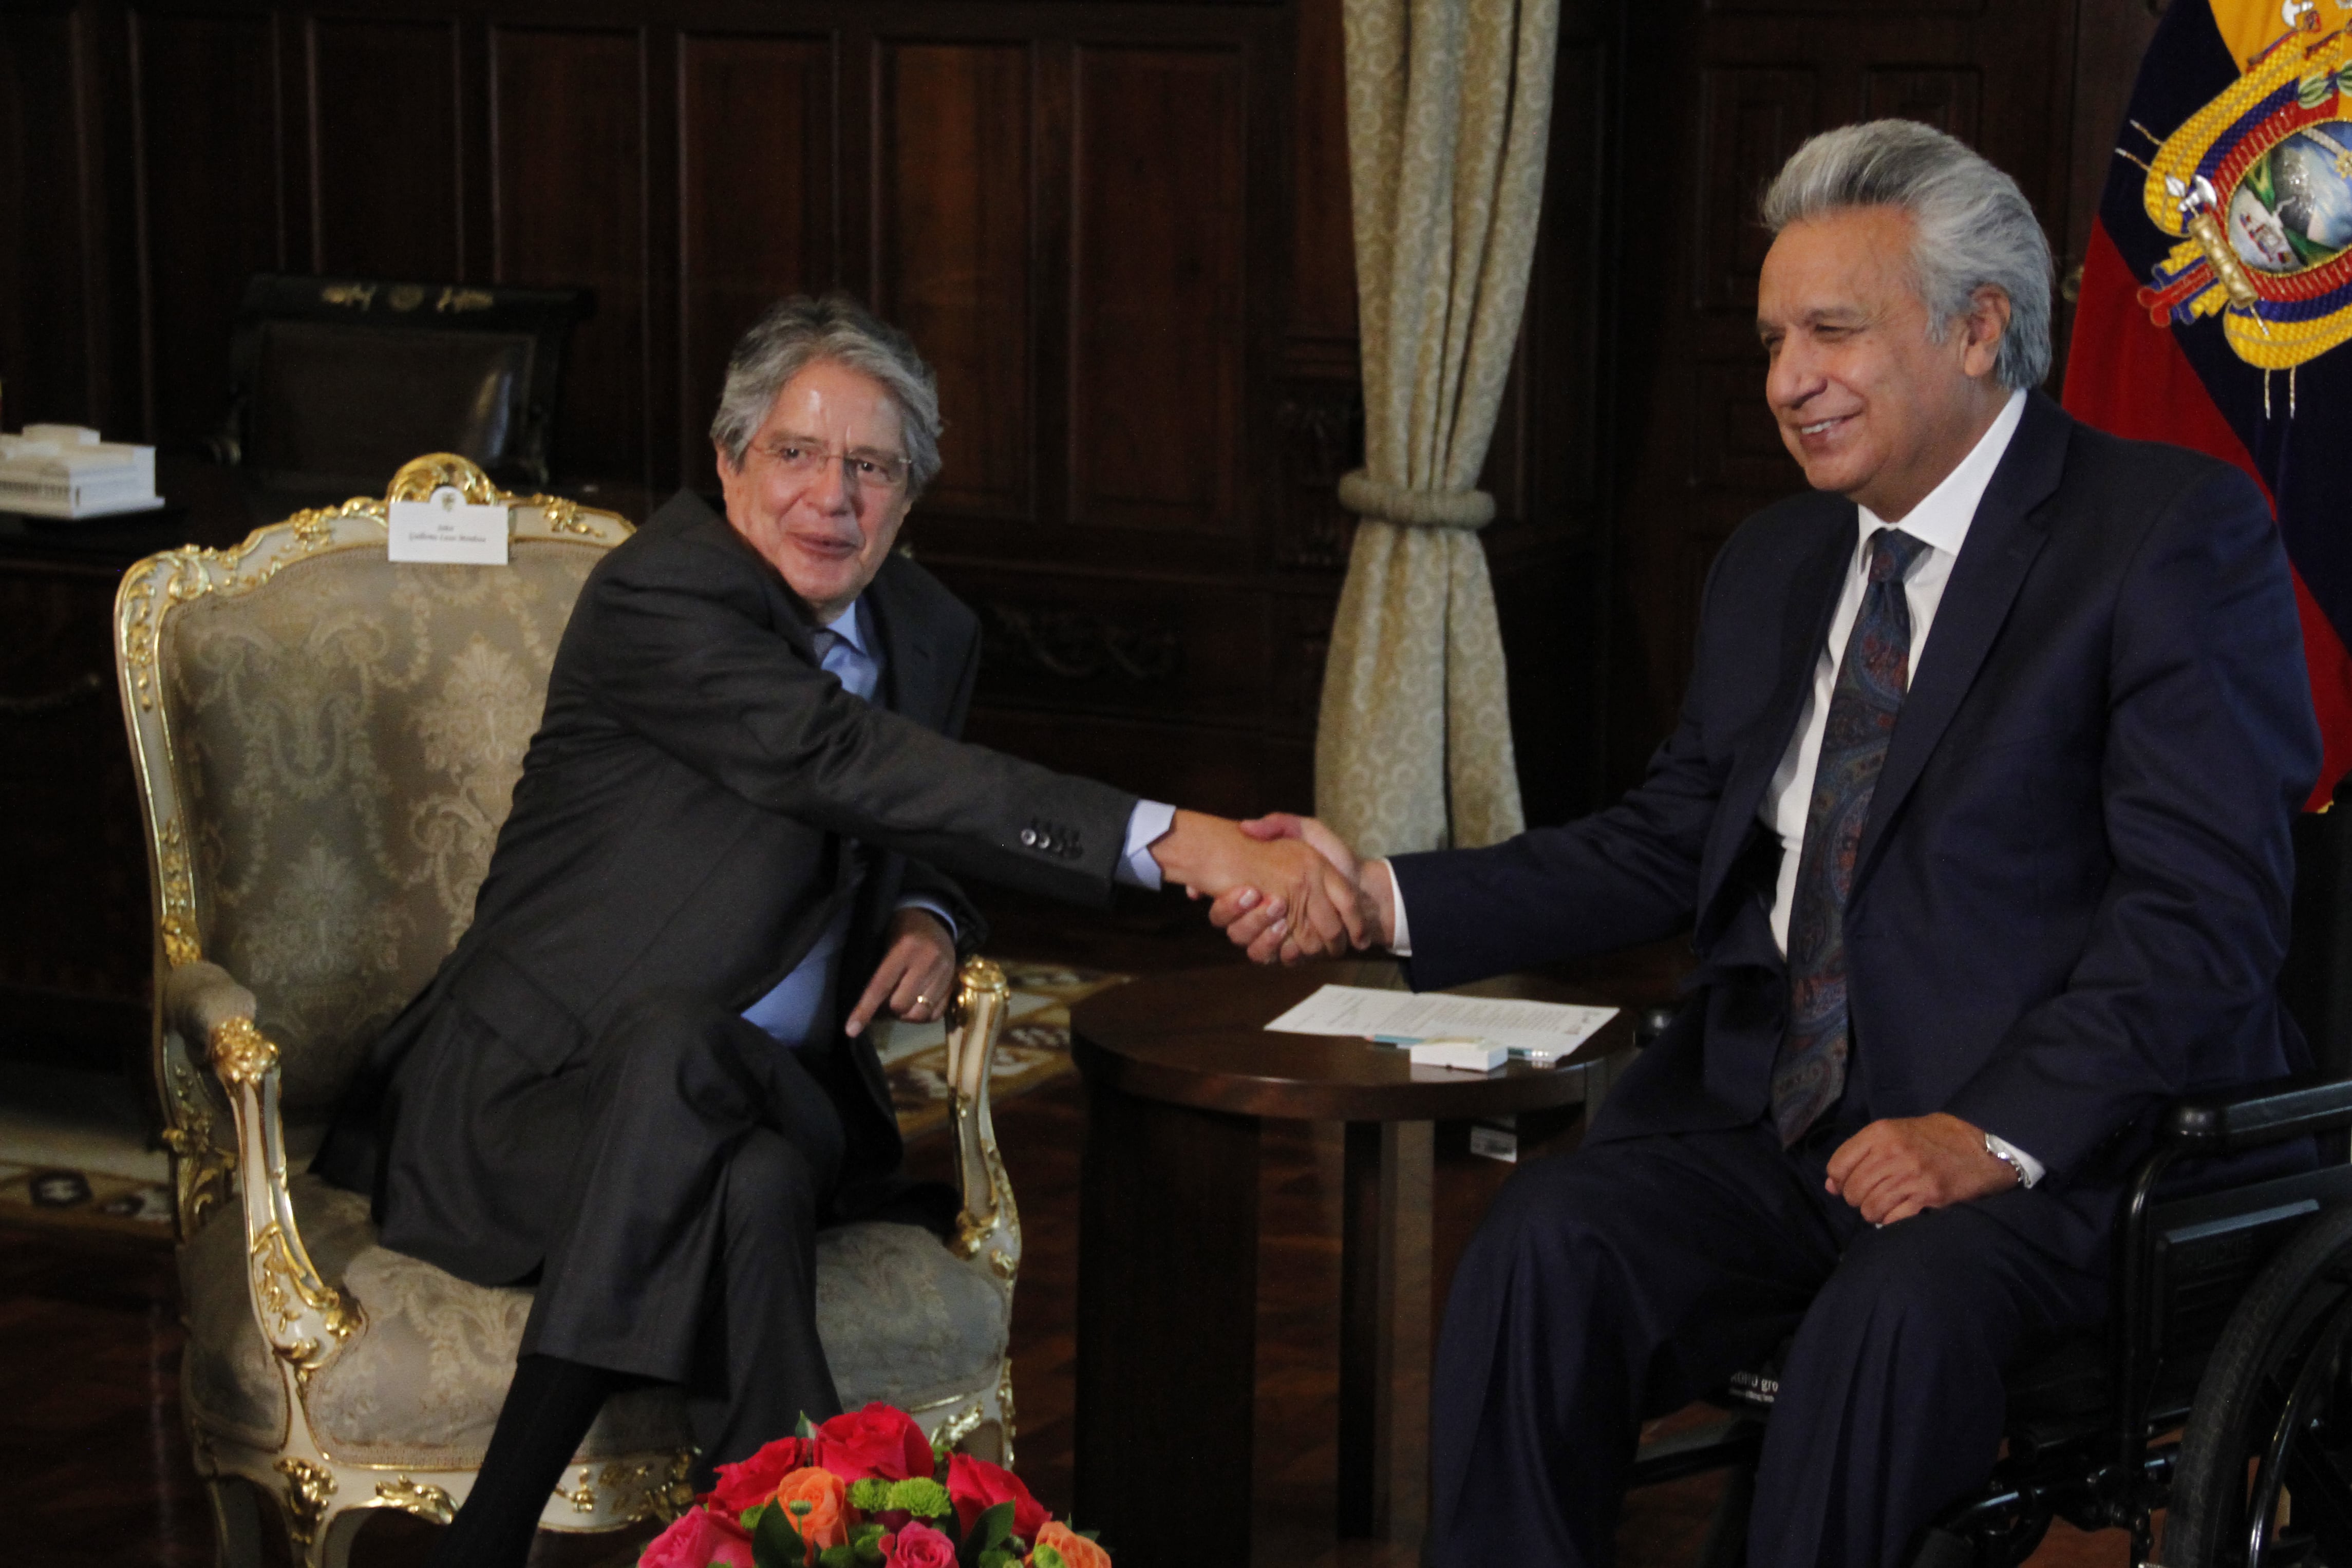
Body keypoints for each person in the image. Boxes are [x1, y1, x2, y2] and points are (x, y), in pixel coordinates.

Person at [1215, 120, 2321, 1566]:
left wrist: (1983, 1131)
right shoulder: (1776, 558)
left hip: (2062, 1157)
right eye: (1770, 338)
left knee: (1891, 1316)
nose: (1785, 380)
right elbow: (1670, 838)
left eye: (1831, 332)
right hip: (1779, 1124)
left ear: (1979, 329)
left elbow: (2202, 915)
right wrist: (1379, 893)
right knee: (1544, 1245)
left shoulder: (2163, 533)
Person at [312, 294, 1363, 1568]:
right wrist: (1184, 841)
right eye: (795, 455)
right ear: (727, 465)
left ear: (910, 496)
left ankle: (488, 1546)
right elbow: (835, 757)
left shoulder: (928, 630)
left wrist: (928, 903)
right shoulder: (661, 597)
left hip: (788, 1092)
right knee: (717, 1135)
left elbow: (920, 802)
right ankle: (795, 1527)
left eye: (871, 466)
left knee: (693, 1069)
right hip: (527, 1105)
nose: (832, 497)